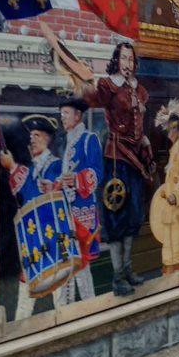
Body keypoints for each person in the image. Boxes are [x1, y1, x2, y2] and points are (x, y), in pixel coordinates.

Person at [80, 42, 151, 296]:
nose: (127, 64)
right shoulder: (108, 86)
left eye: (131, 60)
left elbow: (138, 126)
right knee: (117, 215)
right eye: (123, 59)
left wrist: (144, 142)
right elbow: (91, 99)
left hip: (136, 160)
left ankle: (128, 269)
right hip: (116, 158)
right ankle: (118, 276)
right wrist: (87, 79)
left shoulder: (140, 91)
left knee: (133, 216)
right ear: (116, 60)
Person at [0, 114, 66, 319]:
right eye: (31, 136)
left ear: (47, 139)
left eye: (37, 135)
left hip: (53, 237)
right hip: (32, 238)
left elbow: (37, 198)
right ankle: (21, 330)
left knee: (59, 292)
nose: (33, 139)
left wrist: (12, 168)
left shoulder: (56, 166)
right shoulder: (30, 166)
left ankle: (65, 326)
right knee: (26, 287)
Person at [55, 97, 102, 304]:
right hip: (67, 212)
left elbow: (97, 173)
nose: (62, 117)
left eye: (66, 113)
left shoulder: (89, 139)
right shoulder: (67, 141)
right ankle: (66, 307)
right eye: (61, 113)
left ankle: (88, 306)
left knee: (81, 264)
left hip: (83, 212)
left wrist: (76, 179)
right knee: (67, 261)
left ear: (78, 115)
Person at [149, 100, 179, 276]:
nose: (168, 134)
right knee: (169, 242)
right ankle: (169, 273)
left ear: (176, 129)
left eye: (171, 130)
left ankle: (178, 277)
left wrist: (175, 196)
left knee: (176, 242)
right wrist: (166, 191)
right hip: (170, 206)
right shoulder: (175, 148)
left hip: (177, 206)